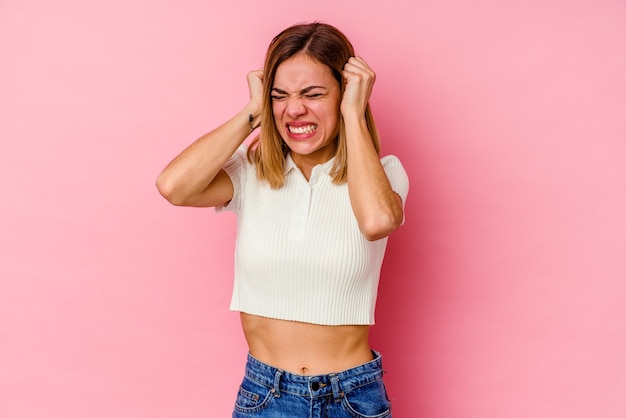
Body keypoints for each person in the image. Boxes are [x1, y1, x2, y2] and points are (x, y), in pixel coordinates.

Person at [156, 21, 408, 418]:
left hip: (352, 398)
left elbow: (377, 221)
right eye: (280, 96)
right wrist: (252, 113)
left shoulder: (385, 174)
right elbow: (174, 186)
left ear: (344, 94)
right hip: (266, 396)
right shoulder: (251, 173)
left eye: (313, 94)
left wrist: (353, 114)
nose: (294, 109)